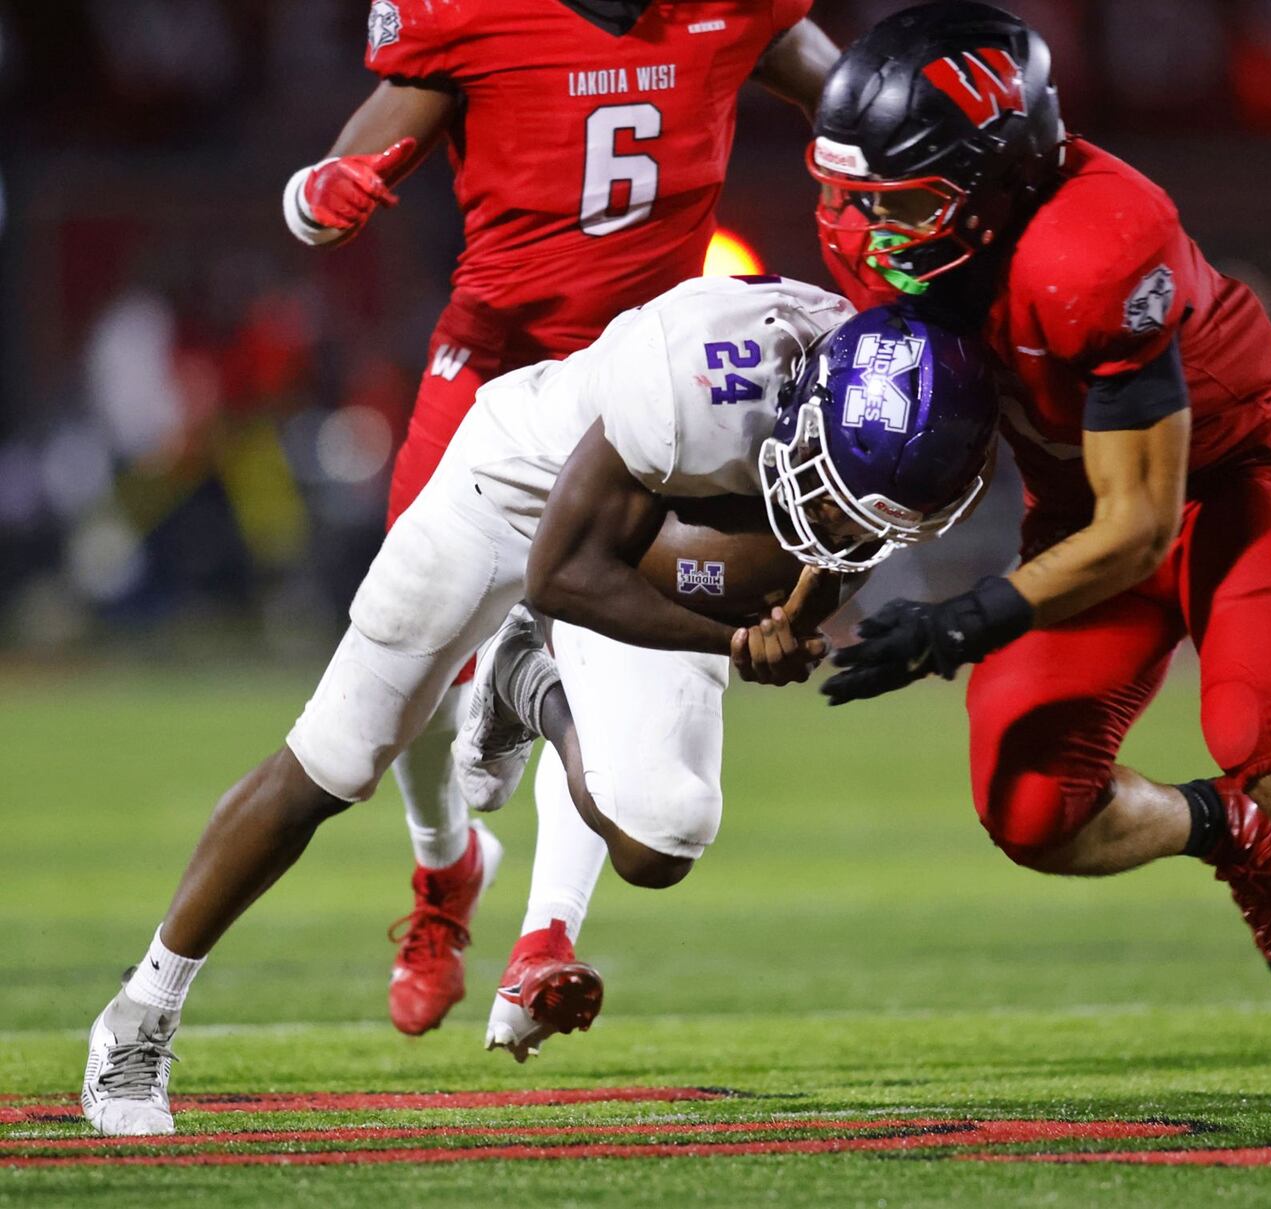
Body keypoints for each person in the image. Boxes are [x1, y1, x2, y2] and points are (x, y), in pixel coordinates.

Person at [806, 2, 1271, 1142]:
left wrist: (969, 617)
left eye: (903, 200)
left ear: (1005, 169)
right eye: (852, 195)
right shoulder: (909, 236)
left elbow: (1138, 527)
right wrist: (802, 601)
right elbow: (903, 455)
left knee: (1269, 741)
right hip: (1079, 509)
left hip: (1220, 489)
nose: (862, 228)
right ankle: (1225, 832)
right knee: (1031, 812)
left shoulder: (1100, 243)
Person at [80, 276, 1001, 1135]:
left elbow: (847, 533)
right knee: (333, 762)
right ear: (804, 409)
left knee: (662, 837)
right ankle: (137, 1017)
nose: (844, 519)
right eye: (834, 489)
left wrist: (789, 624)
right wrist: (733, 640)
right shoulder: (696, 377)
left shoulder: (892, 426)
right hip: (517, 491)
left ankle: (529, 688)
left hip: (669, 534)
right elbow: (563, 573)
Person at [283, 0, 839, 1037]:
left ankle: (546, 937)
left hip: (652, 390)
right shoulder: (480, 14)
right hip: (497, 364)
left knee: (606, 632)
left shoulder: (729, 11)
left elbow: (851, 104)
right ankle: (445, 875)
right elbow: (339, 172)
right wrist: (322, 195)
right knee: (416, 651)